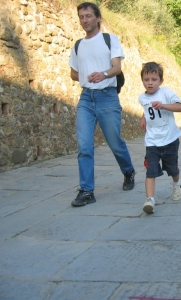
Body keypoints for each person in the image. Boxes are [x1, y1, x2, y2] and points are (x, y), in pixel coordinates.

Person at [68, 2, 135, 207]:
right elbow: (73, 73)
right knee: (84, 145)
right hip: (86, 98)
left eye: (88, 16)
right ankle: (87, 190)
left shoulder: (109, 40)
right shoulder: (78, 45)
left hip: (107, 96)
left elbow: (116, 67)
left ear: (98, 18)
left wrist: (102, 74)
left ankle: (128, 171)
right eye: (81, 17)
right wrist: (87, 78)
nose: (85, 20)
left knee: (115, 142)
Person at [138, 62, 181, 214]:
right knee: (150, 169)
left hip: (169, 139)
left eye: (154, 79)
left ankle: (177, 183)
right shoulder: (142, 97)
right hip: (152, 141)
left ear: (161, 81)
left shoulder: (166, 93)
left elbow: (179, 107)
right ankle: (150, 199)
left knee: (171, 168)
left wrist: (163, 106)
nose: (150, 83)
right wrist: (144, 118)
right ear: (142, 80)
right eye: (146, 79)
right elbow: (147, 110)